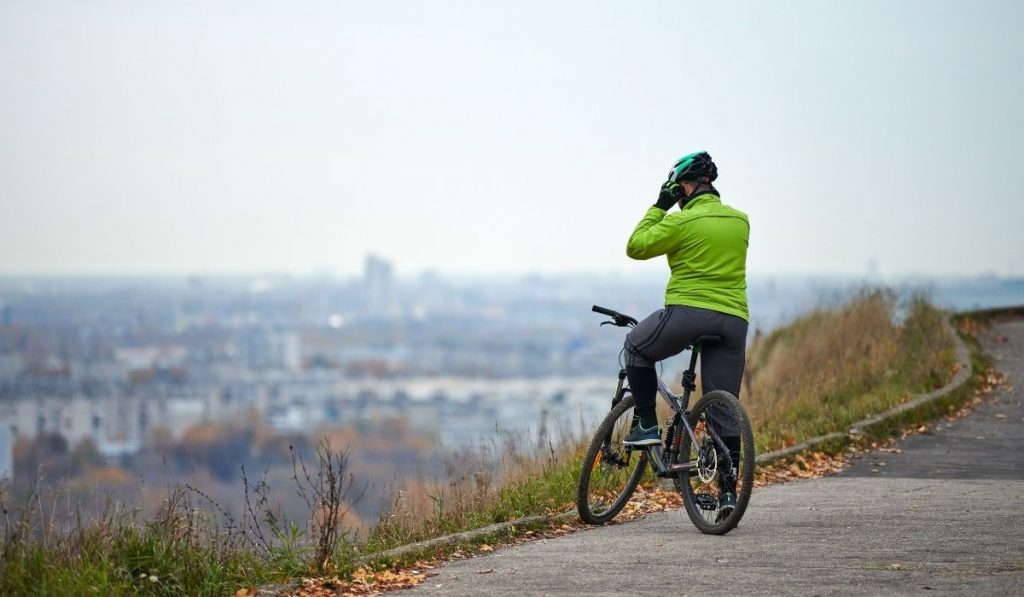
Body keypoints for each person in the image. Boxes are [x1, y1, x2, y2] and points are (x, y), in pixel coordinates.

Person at [621, 151, 749, 513]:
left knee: (635, 347)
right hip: (734, 321)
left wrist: (660, 205)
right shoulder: (741, 221)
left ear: (682, 187)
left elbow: (636, 246)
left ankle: (646, 425)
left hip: (689, 314)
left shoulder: (681, 222)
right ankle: (727, 495)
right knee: (722, 404)